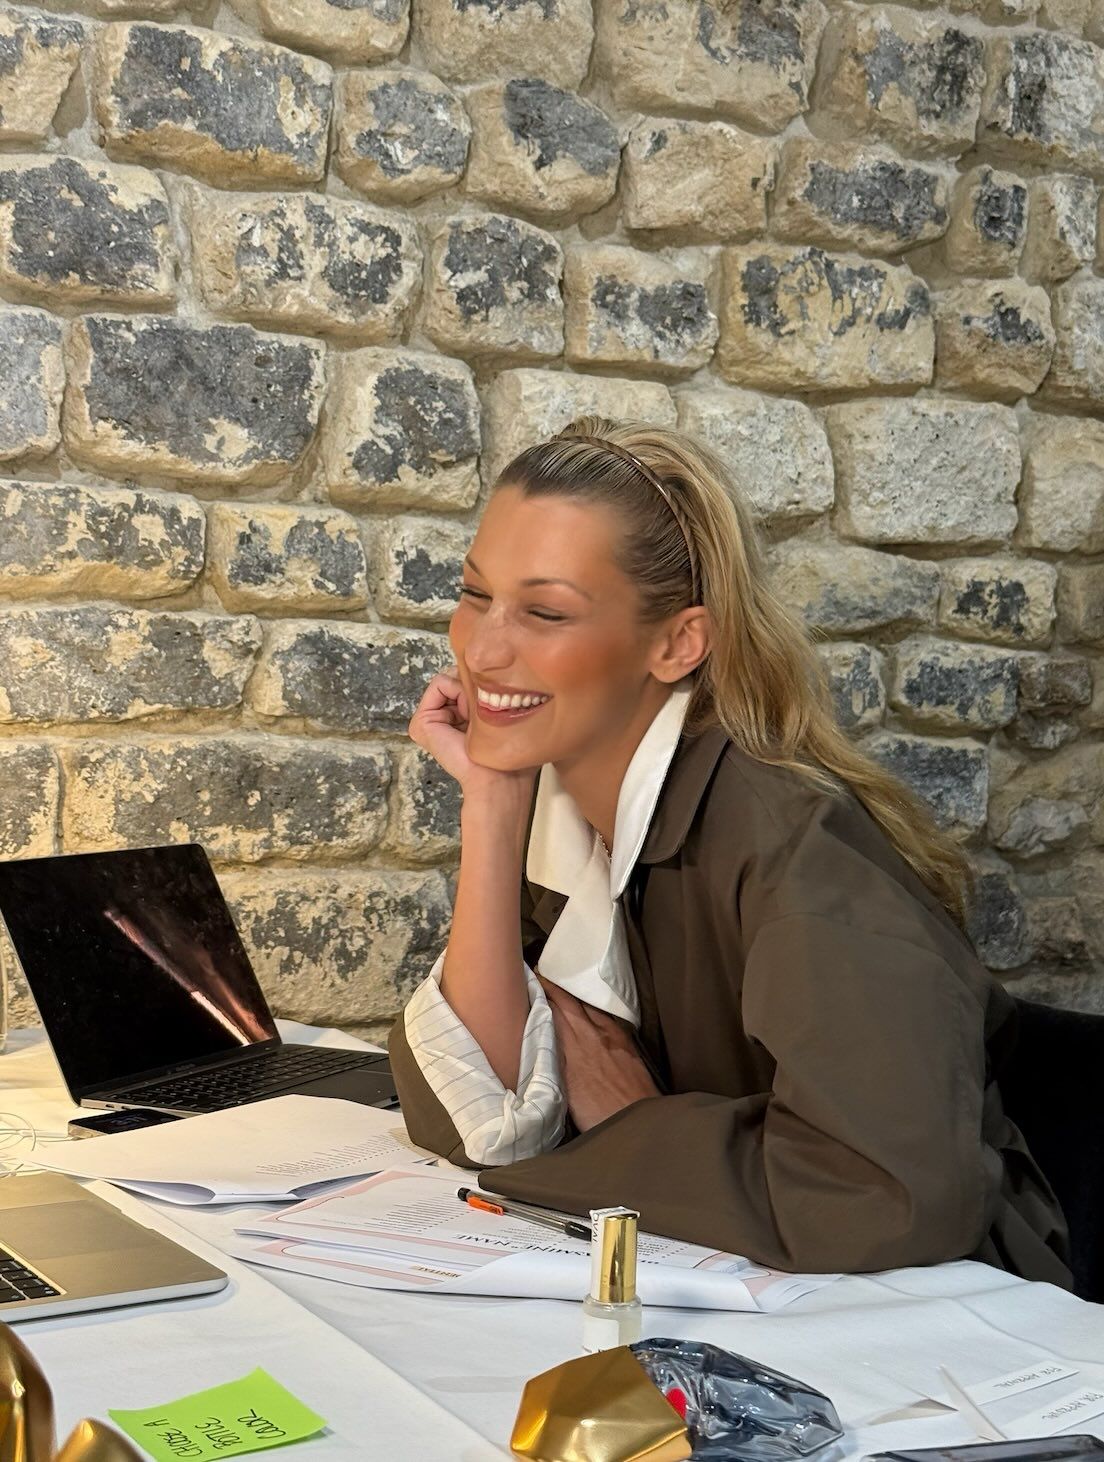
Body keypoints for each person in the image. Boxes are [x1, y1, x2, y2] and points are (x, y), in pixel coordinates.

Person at [388, 416, 1071, 1285]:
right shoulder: (563, 804)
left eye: (545, 612)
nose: (482, 649)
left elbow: (889, 1195)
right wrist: (492, 802)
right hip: (734, 1273)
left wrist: (637, 1127)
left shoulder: (796, 852)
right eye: (475, 594)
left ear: (677, 643)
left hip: (946, 1311)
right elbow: (484, 1115)